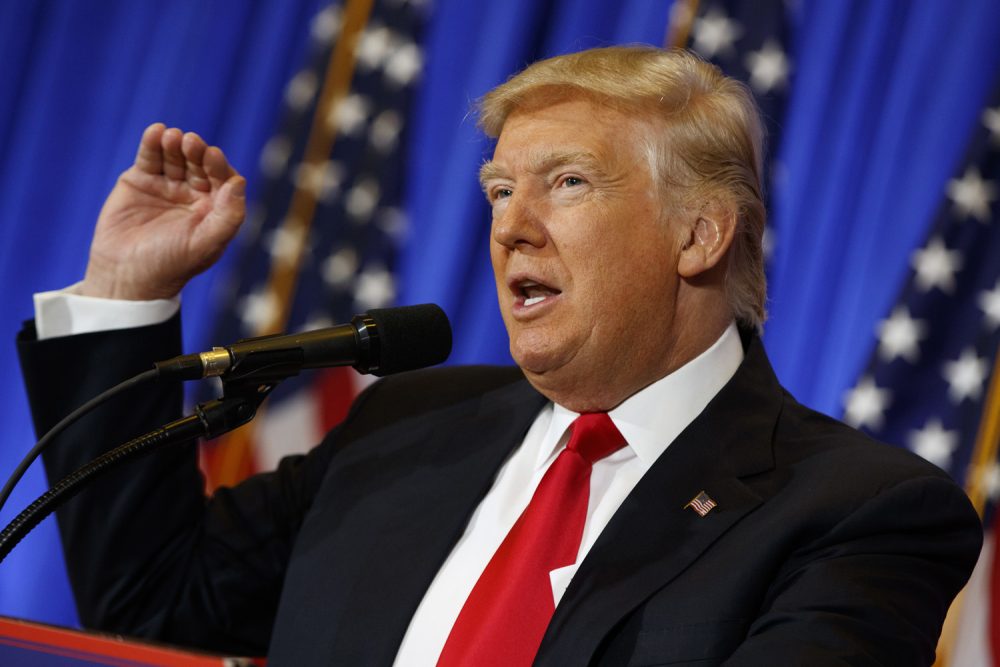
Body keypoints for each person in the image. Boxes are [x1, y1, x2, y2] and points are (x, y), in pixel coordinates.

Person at [18, 46, 981, 666]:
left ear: (702, 234)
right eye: (494, 190)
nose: (512, 226)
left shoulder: (855, 511)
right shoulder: (408, 427)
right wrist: (125, 288)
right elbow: (151, 602)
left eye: (566, 183)